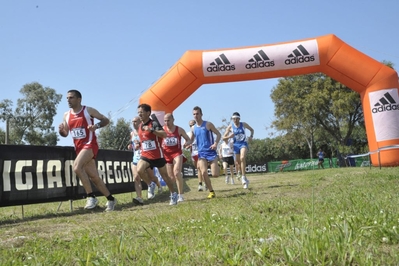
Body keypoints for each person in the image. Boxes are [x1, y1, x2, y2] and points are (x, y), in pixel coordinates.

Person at [58, 89, 117, 211]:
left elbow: (106, 120)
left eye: (71, 98)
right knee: (94, 177)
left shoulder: (88, 110)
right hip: (79, 148)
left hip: (90, 144)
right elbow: (65, 133)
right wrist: (61, 131)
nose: (68, 100)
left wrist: (96, 126)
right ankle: (111, 199)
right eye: (67, 98)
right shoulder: (66, 115)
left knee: (76, 167)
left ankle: (91, 196)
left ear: (79, 99)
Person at [136, 103, 178, 205]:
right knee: (139, 170)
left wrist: (152, 130)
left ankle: (173, 194)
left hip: (157, 155)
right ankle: (150, 184)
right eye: (138, 113)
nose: (139, 115)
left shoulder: (154, 123)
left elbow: (164, 135)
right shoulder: (140, 125)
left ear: (148, 113)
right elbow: (144, 140)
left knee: (165, 177)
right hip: (146, 155)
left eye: (141, 112)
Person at [127, 117, 162, 205]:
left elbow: (149, 141)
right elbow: (131, 143)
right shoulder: (132, 133)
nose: (133, 123)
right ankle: (139, 197)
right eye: (132, 121)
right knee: (136, 177)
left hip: (145, 157)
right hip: (136, 157)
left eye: (135, 121)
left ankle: (157, 185)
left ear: (140, 122)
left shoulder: (144, 130)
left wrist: (141, 145)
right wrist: (130, 146)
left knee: (151, 176)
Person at [190, 106, 221, 199]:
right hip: (201, 153)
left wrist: (215, 143)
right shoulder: (193, 128)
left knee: (215, 175)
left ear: (201, 114)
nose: (196, 116)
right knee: (203, 172)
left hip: (211, 152)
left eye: (197, 114)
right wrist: (187, 144)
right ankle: (211, 192)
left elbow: (218, 134)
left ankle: (219, 165)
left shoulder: (208, 124)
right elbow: (191, 140)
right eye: (194, 114)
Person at [162, 113, 192, 202]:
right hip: (167, 155)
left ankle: (181, 195)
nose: (167, 122)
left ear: (173, 120)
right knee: (171, 178)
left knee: (176, 172)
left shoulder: (179, 130)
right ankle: (173, 194)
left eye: (168, 120)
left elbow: (189, 139)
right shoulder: (162, 130)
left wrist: (187, 143)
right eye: (165, 121)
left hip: (177, 153)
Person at [223, 112, 254, 189]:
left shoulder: (243, 124)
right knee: (237, 162)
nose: (235, 120)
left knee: (242, 158)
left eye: (236, 118)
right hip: (235, 145)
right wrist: (229, 136)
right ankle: (245, 178)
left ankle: (243, 177)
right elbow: (223, 138)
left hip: (243, 144)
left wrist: (251, 136)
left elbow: (252, 130)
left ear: (239, 118)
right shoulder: (230, 127)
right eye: (233, 119)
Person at [187, 120, 206, 191]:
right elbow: (186, 143)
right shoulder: (188, 134)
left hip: (200, 152)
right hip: (193, 153)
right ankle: (205, 182)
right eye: (190, 125)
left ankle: (200, 184)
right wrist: (187, 146)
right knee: (198, 169)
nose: (192, 126)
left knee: (199, 167)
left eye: (193, 124)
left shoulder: (199, 131)